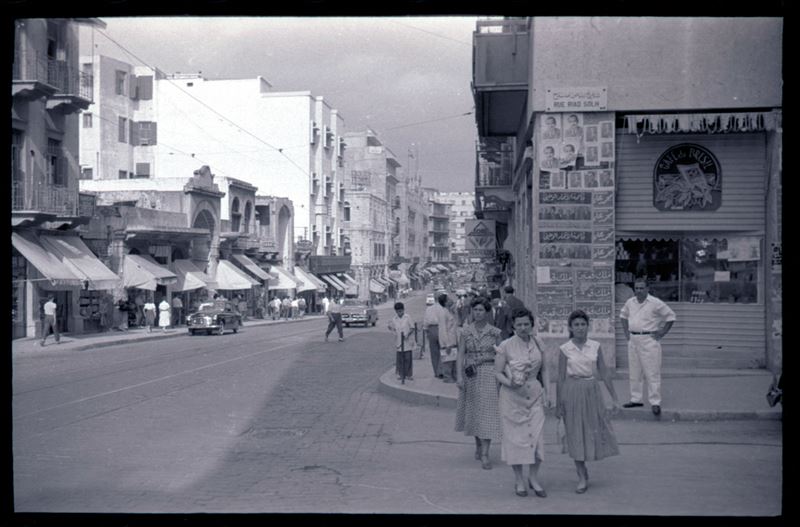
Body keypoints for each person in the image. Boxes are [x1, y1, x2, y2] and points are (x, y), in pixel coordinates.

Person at [556, 310, 620, 494]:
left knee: (593, 430)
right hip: (572, 390)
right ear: (570, 327)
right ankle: (581, 474)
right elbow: (560, 378)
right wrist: (559, 404)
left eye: (583, 324)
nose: (580, 328)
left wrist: (614, 397)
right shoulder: (565, 349)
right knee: (575, 432)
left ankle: (586, 464)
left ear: (587, 326)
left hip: (592, 391)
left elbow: (604, 372)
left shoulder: (595, 346)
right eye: (576, 325)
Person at [495, 308, 551, 497]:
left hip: (534, 394)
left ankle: (533, 478)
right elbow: (498, 372)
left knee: (536, 438)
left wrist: (548, 393)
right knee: (515, 440)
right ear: (513, 326)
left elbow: (544, 370)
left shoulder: (538, 343)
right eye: (519, 324)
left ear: (531, 324)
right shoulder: (505, 346)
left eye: (526, 324)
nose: (523, 328)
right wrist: (509, 382)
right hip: (512, 398)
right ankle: (519, 480)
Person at [455, 296, 503, 470]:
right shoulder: (466, 332)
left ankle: (485, 453)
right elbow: (460, 354)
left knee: (487, 413)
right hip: (471, 375)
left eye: (481, 310)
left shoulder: (495, 332)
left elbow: (502, 355)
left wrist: (501, 376)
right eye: (475, 310)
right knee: (474, 411)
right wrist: (459, 376)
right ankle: (478, 445)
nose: (478, 313)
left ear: (487, 312)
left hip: (489, 373)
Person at [619, 279, 676, 416]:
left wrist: (662, 332)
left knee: (652, 371)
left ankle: (655, 402)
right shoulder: (630, 302)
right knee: (635, 371)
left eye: (641, 288)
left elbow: (670, 316)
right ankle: (636, 399)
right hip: (633, 340)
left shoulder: (655, 303)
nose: (639, 290)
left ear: (647, 289)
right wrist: (627, 333)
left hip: (648, 340)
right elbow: (623, 316)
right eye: (637, 288)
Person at [388, 302, 417, 382]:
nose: (399, 313)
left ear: (403, 310)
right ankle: (401, 374)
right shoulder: (394, 319)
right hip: (399, 341)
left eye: (401, 311)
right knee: (400, 359)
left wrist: (407, 334)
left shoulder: (408, 317)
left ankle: (409, 374)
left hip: (407, 340)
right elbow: (393, 329)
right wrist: (390, 328)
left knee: (408, 358)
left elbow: (412, 328)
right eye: (398, 311)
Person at [423, 293, 447, 379]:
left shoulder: (429, 309)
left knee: (434, 352)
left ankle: (436, 372)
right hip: (441, 328)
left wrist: (426, 331)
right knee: (443, 350)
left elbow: (425, 322)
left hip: (431, 329)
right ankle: (441, 370)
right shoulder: (443, 308)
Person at [438, 294, 458, 383]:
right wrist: (447, 344)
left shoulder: (449, 311)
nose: (451, 300)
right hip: (447, 341)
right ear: (445, 302)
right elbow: (443, 329)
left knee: (453, 359)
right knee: (447, 360)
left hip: (453, 339)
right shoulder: (443, 313)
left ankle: (453, 376)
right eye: (449, 299)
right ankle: (447, 377)